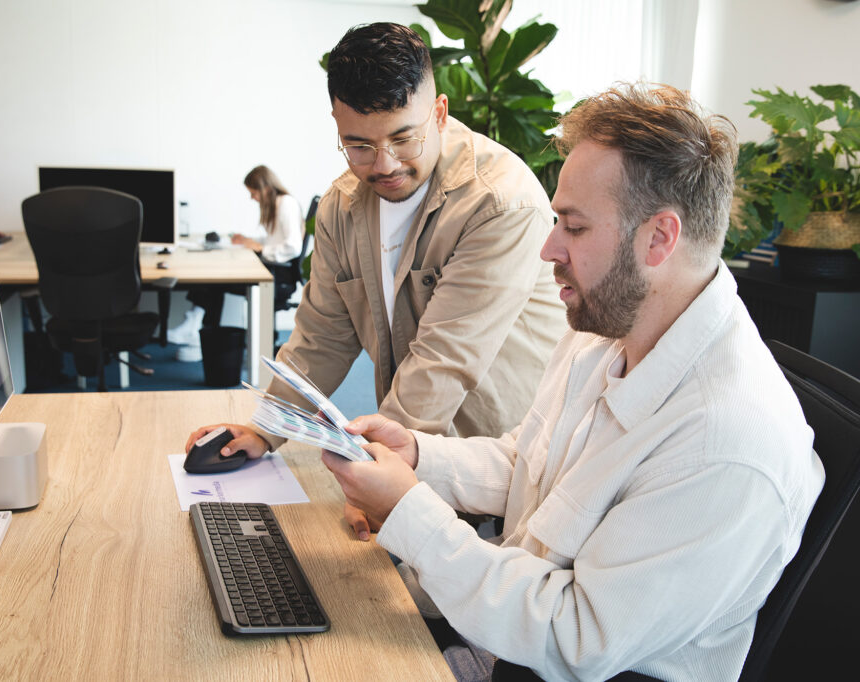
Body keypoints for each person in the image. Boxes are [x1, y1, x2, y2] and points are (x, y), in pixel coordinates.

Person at [318, 83, 826, 681]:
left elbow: (574, 638)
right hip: (500, 639)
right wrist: (421, 456)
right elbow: (529, 462)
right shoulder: (606, 327)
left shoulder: (727, 446)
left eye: (574, 227)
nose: (548, 247)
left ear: (659, 238)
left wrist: (408, 510)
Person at [185, 23, 568, 538]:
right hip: (407, 452)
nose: (383, 165)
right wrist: (263, 428)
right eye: (359, 145)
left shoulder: (500, 202)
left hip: (495, 464)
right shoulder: (342, 205)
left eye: (403, 138)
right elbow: (321, 336)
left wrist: (375, 476)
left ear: (439, 113)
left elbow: (443, 362)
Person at [171, 165, 304, 362]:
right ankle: (195, 325)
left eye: (253, 193)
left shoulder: (286, 204)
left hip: (278, 275)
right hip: (272, 267)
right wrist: (250, 240)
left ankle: (197, 329)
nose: (252, 198)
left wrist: (260, 249)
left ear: (265, 188)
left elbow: (293, 247)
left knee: (215, 281)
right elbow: (275, 239)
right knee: (213, 278)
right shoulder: (278, 203)